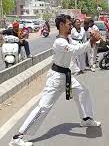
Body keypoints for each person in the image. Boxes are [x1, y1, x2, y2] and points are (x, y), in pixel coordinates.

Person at [9, 14, 101, 146]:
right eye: (69, 24)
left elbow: (79, 45)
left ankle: (86, 118)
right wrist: (91, 41)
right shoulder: (60, 42)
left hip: (66, 76)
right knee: (43, 107)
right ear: (62, 25)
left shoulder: (68, 39)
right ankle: (17, 137)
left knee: (82, 91)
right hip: (56, 79)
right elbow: (75, 50)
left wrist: (92, 39)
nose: (71, 26)